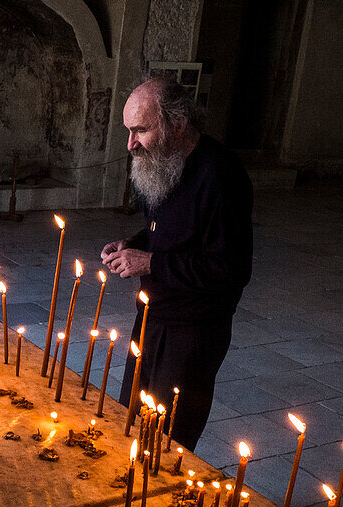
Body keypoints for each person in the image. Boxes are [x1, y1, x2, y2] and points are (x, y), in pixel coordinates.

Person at [101, 77, 252, 452]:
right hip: (152, 318)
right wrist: (134, 244)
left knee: (167, 443)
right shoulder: (165, 162)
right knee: (130, 426)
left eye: (140, 130)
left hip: (191, 334)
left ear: (178, 124)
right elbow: (168, 230)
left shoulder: (221, 176)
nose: (130, 144)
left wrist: (151, 262)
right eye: (128, 131)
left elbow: (231, 269)